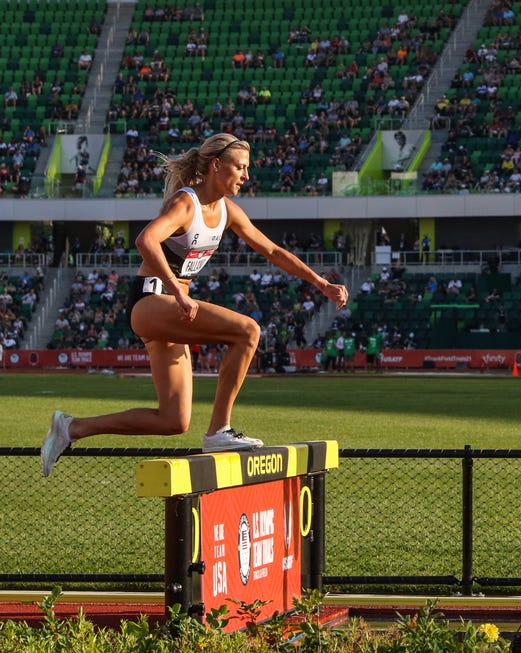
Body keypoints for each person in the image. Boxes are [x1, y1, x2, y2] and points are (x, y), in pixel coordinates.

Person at [40, 133, 349, 476]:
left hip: (170, 309)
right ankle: (219, 431)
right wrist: (178, 290)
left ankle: (71, 428)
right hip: (152, 300)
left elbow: (274, 251)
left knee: (173, 420)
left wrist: (321, 283)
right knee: (248, 331)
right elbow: (146, 240)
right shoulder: (186, 203)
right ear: (217, 166)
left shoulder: (228, 211)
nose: (246, 176)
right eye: (241, 167)